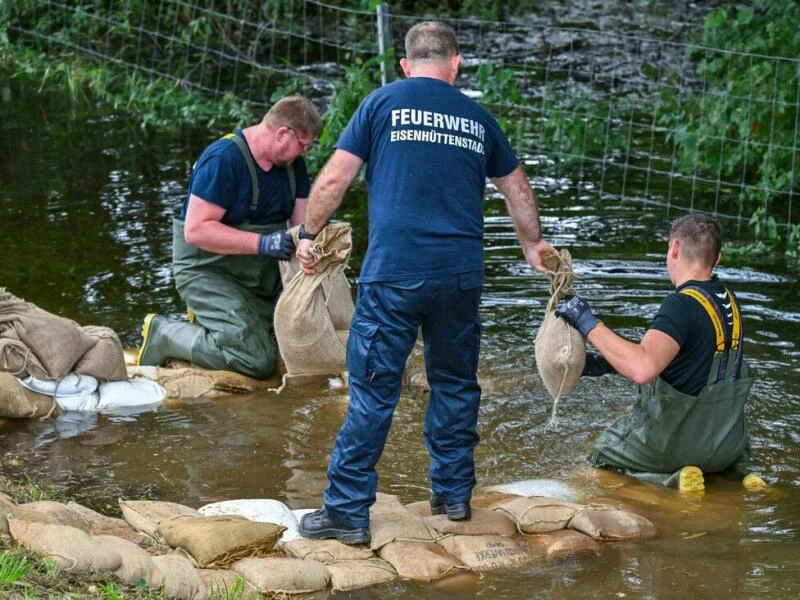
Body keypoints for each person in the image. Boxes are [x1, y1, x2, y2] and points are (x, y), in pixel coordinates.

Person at [295, 21, 554, 545]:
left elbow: (333, 179)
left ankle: (346, 512)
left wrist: (308, 233)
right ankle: (454, 494)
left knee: (372, 391)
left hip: (393, 274)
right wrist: (533, 246)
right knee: (455, 384)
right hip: (460, 277)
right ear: (455, 64)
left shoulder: (382, 104)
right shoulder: (478, 118)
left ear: (406, 65)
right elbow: (517, 187)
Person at [555, 213, 766, 492]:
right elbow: (685, 360)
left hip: (677, 446)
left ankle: (675, 477)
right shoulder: (729, 299)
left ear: (675, 248)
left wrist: (586, 321)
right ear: (718, 258)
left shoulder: (680, 305)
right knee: (727, 447)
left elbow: (643, 369)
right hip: (726, 445)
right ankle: (744, 475)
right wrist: (601, 363)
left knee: (603, 454)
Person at [136, 95, 323, 380]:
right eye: (303, 146)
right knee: (256, 361)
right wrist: (262, 243)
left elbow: (302, 225)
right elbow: (196, 230)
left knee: (294, 343)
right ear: (283, 133)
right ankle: (166, 333)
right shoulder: (224, 160)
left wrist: (312, 244)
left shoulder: (292, 166)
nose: (304, 154)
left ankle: (215, 322)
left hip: (260, 275)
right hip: (207, 270)